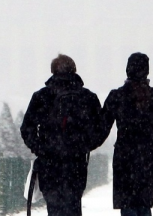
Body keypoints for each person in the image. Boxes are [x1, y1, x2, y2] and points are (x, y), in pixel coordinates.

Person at [20, 54, 107, 216]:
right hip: (76, 163)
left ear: (52, 71)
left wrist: (40, 148)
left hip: (49, 163)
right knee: (73, 205)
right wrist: (85, 145)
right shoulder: (88, 97)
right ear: (74, 70)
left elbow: (27, 128)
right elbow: (100, 129)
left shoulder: (41, 96)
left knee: (54, 208)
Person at [99, 53, 153, 216]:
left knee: (128, 204)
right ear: (147, 71)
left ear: (127, 70)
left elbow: (102, 129)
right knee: (144, 205)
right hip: (149, 156)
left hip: (124, 156)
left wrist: (83, 145)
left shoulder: (116, 96)